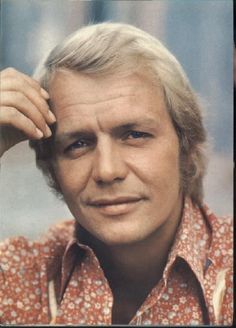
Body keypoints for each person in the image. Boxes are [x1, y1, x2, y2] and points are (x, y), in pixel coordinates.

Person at [0, 23, 233, 325]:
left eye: (135, 135)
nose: (108, 171)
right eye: (79, 144)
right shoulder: (20, 277)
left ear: (186, 147)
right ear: (53, 169)